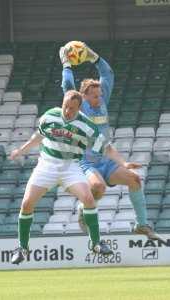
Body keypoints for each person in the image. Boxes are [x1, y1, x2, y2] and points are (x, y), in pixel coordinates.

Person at [59, 42, 163, 241]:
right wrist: (66, 63)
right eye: (96, 96)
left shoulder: (102, 100)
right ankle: (83, 208)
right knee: (99, 188)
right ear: (84, 96)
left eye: (101, 94)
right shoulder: (78, 107)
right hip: (84, 161)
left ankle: (142, 225)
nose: (101, 98)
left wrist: (94, 57)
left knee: (135, 180)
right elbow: (68, 87)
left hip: (104, 157)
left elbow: (108, 74)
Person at [10, 90, 117, 265]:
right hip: (47, 165)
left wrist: (116, 160)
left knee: (88, 199)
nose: (67, 111)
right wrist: (21, 150)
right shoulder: (50, 116)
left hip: (71, 167)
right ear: (63, 102)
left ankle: (96, 243)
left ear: (79, 109)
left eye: (72, 109)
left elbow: (103, 146)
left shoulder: (87, 125)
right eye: (66, 106)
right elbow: (38, 136)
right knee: (26, 203)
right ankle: (22, 247)